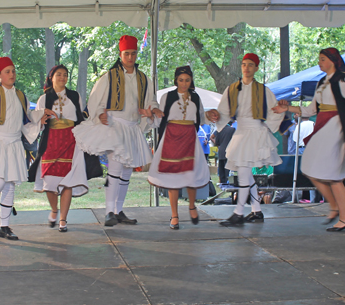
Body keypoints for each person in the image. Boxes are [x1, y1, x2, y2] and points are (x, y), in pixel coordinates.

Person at [273, 48, 345, 231]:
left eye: (323, 59)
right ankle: (334, 207)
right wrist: (287, 109)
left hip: (335, 126)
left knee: (331, 175)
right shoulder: (322, 83)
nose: (319, 62)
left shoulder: (342, 80)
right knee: (309, 168)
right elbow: (310, 111)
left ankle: (343, 216)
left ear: (332, 61)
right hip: (323, 124)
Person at [73, 35, 163, 227]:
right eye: (126, 54)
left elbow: (151, 100)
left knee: (127, 172)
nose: (130, 57)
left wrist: (153, 110)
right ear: (120, 54)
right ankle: (108, 212)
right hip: (115, 126)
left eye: (133, 53)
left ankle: (119, 210)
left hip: (132, 128)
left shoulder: (143, 79)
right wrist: (99, 114)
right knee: (114, 169)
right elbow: (95, 99)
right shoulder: (109, 77)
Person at [0, 57, 50, 240]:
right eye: (7, 71)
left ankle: (4, 227)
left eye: (13, 71)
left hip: (14, 143)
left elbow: (25, 119)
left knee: (10, 185)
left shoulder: (20, 95)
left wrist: (39, 118)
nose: (12, 74)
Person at [211, 53, 288, 226]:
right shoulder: (232, 88)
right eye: (244, 64)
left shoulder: (263, 90)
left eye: (250, 65)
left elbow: (274, 111)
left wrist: (274, 118)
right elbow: (222, 111)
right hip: (241, 132)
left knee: (244, 173)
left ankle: (238, 213)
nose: (246, 68)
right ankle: (256, 210)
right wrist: (216, 118)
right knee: (245, 173)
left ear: (256, 68)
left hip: (255, 132)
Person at [148, 66, 214, 229]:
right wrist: (154, 112)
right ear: (176, 80)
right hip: (171, 136)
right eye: (180, 80)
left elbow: (200, 118)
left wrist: (210, 114)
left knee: (190, 174)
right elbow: (160, 117)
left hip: (190, 137)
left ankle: (192, 206)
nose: (184, 83)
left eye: (187, 80)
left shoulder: (196, 97)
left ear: (191, 81)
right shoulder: (167, 96)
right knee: (173, 177)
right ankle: (174, 215)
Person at [29, 65, 88, 232]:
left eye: (65, 75)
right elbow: (39, 121)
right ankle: (54, 209)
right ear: (51, 77)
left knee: (68, 180)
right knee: (50, 182)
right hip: (51, 141)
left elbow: (80, 118)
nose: (62, 78)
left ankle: (63, 219)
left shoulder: (74, 96)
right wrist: (42, 121)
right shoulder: (44, 98)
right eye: (59, 75)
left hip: (71, 141)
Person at [210, 120, 235, 186]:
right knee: (228, 169)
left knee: (221, 169)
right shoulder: (232, 129)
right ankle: (228, 182)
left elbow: (216, 142)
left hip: (221, 151)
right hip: (229, 151)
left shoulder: (219, 130)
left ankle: (222, 183)